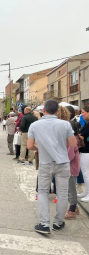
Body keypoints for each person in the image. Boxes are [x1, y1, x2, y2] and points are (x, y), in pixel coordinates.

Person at [27, 100, 77, 234]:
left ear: (44, 110)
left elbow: (30, 146)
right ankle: (58, 222)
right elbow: (73, 143)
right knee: (62, 193)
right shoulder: (65, 124)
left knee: (43, 192)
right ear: (57, 111)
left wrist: (39, 148)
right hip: (63, 163)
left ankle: (44, 224)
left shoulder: (35, 125)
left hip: (46, 163)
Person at [65, 121, 81, 219]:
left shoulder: (72, 140)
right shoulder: (74, 139)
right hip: (72, 167)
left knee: (71, 189)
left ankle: (72, 210)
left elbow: (69, 156)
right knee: (70, 188)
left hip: (70, 167)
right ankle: (75, 207)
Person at [77, 106, 89, 202]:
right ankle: (86, 192)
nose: (82, 114)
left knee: (86, 174)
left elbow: (82, 137)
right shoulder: (86, 124)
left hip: (87, 151)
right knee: (85, 173)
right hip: (84, 151)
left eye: (83, 112)